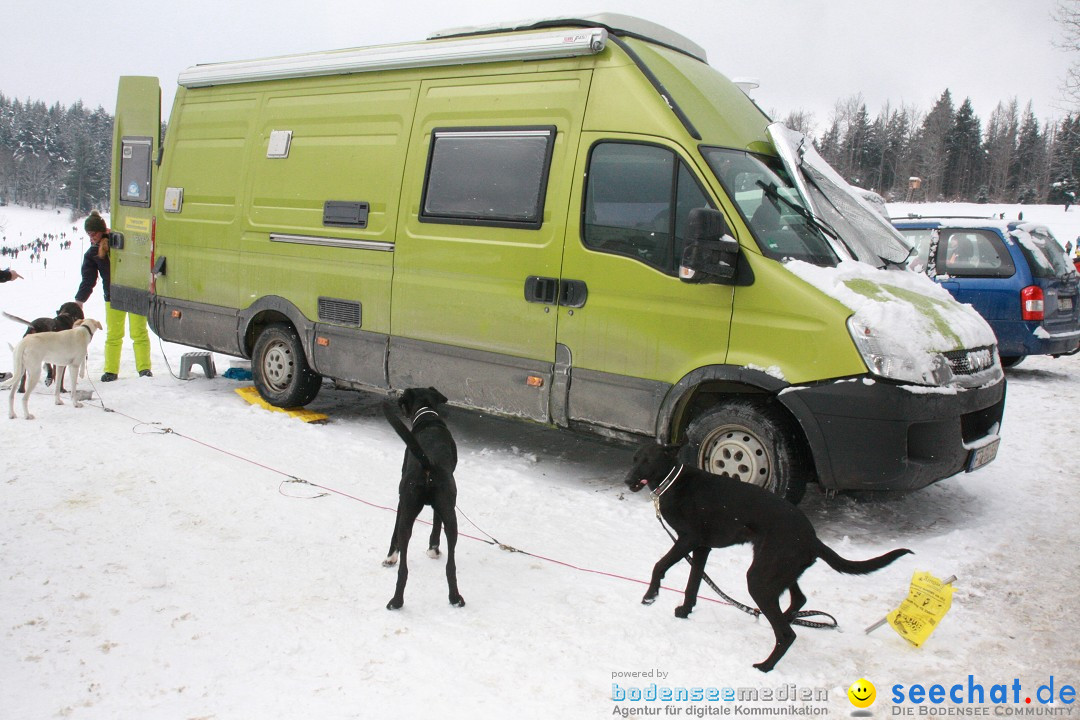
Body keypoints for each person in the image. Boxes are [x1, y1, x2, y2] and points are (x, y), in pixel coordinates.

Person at [75, 211, 152, 381]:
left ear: (102, 230)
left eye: (93, 233)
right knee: (114, 334)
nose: (91, 237)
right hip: (112, 296)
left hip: (135, 291)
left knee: (139, 333)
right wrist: (79, 300)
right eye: (88, 234)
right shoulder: (92, 253)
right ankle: (111, 370)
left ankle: (144, 368)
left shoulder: (122, 241)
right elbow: (88, 279)